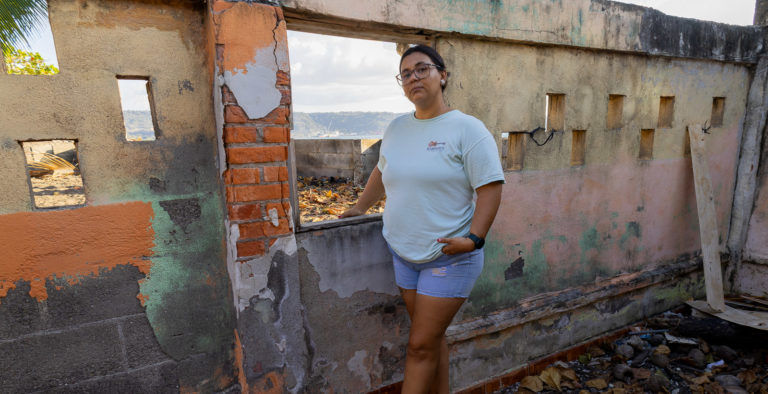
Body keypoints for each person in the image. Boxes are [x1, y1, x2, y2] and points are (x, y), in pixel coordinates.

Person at [340, 44, 504, 393]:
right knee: (431, 339)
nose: (414, 77)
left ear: (442, 76)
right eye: (406, 73)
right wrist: (359, 208)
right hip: (404, 254)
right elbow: (382, 173)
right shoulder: (397, 129)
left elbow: (490, 187)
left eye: (422, 69)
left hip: (449, 256)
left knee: (418, 346)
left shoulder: (467, 129)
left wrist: (474, 238)